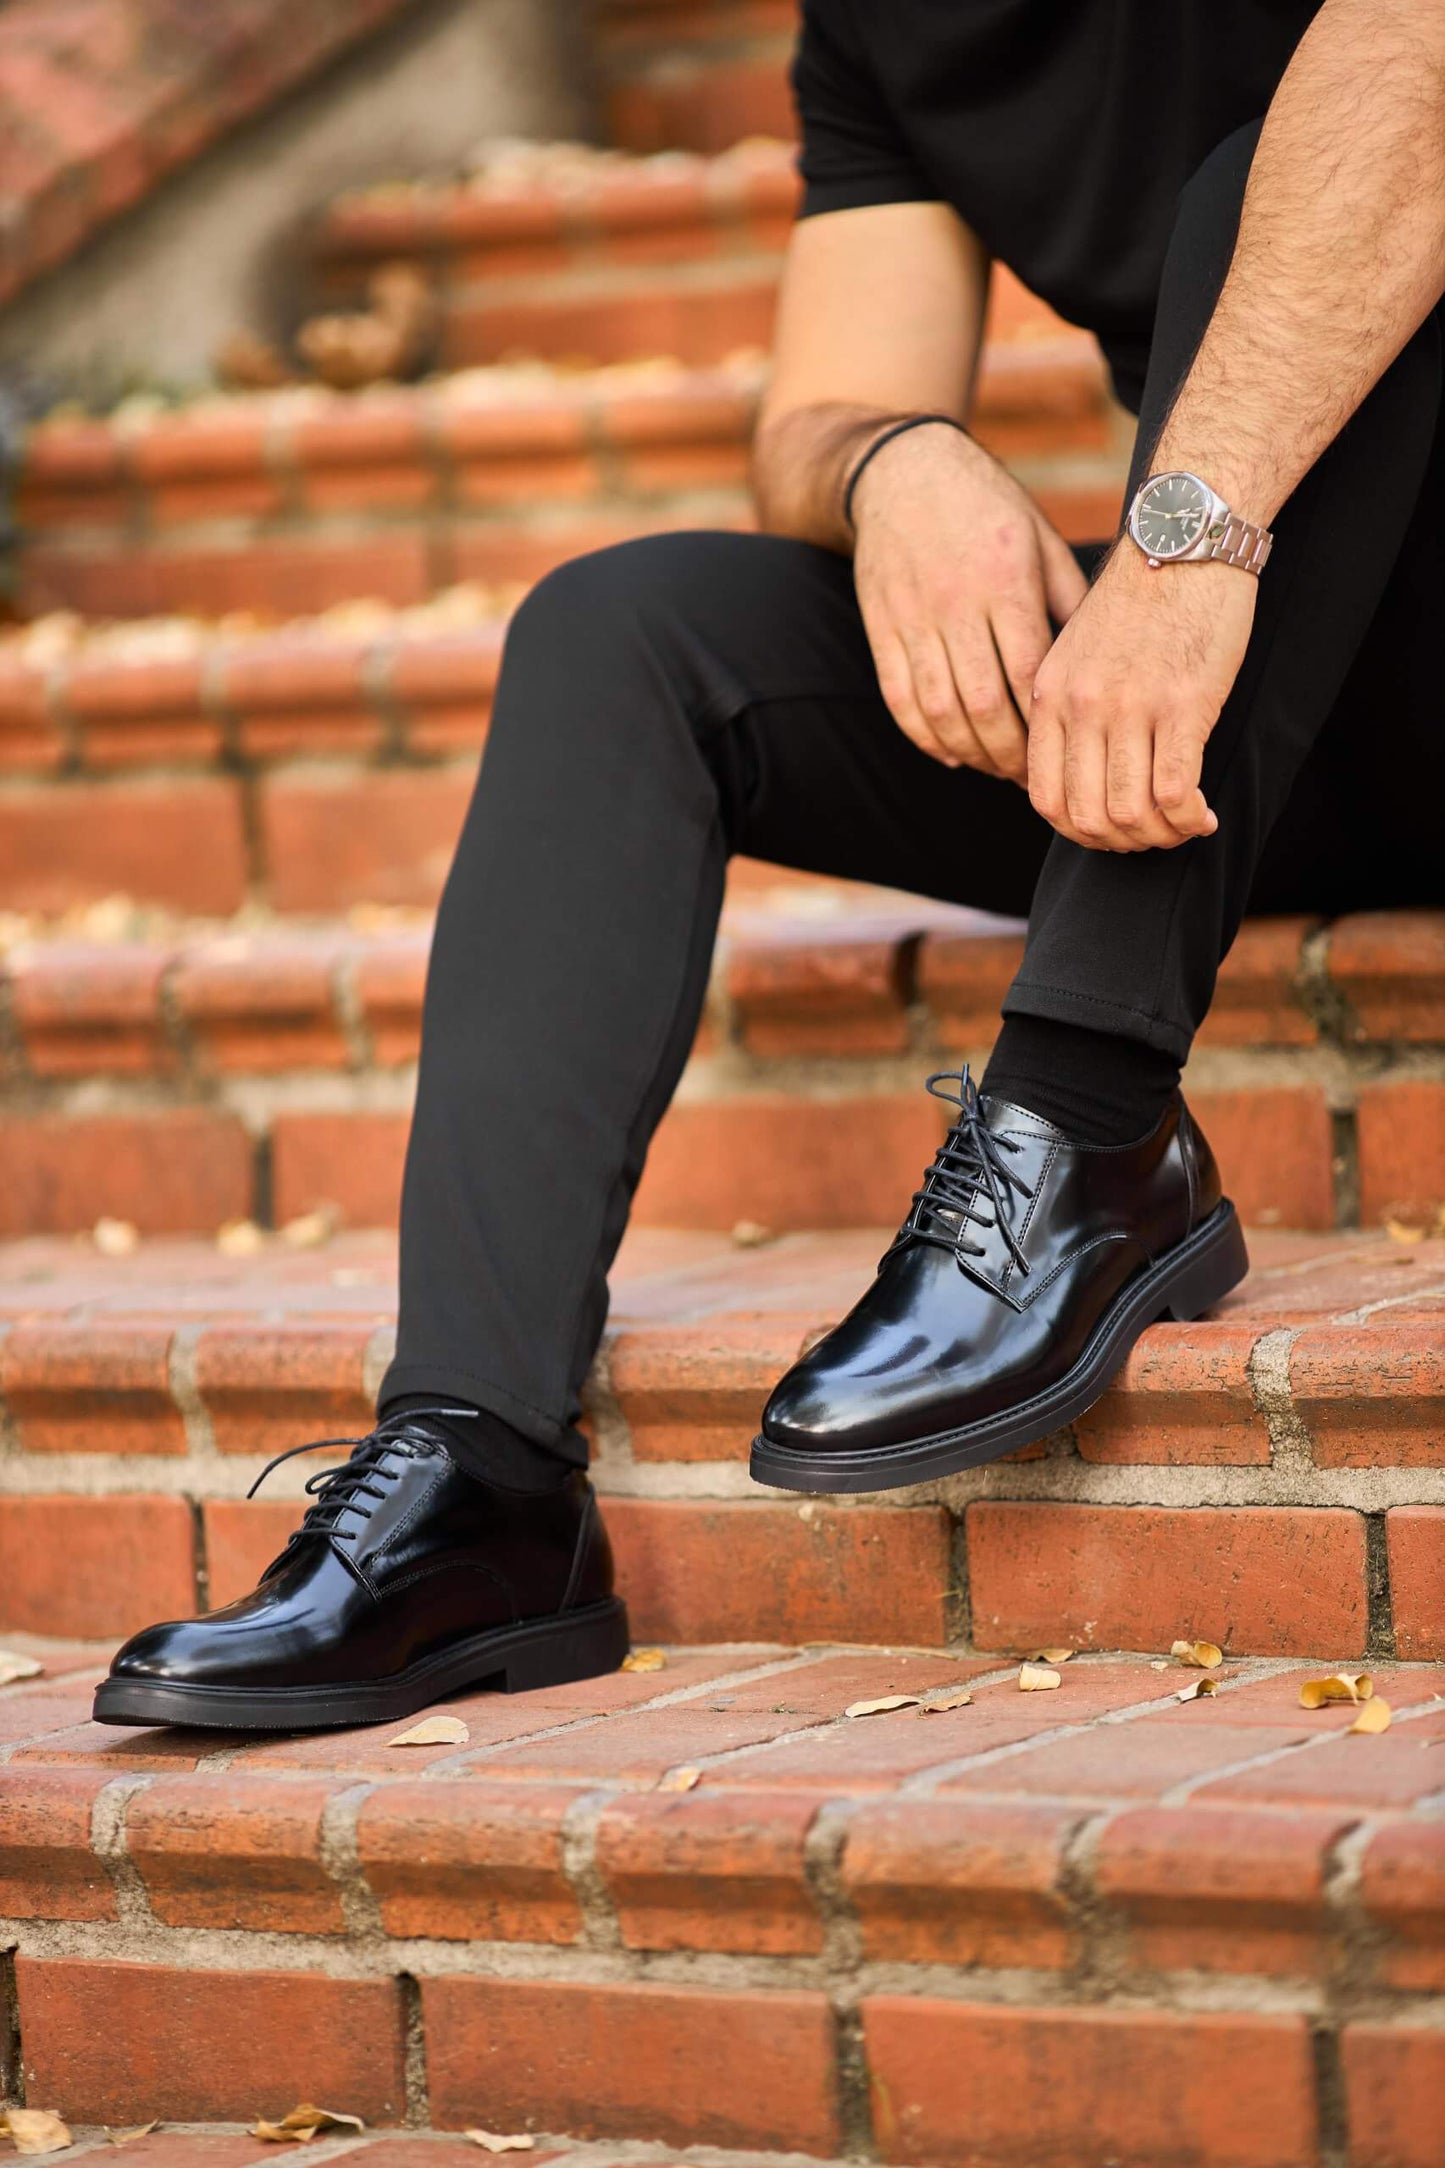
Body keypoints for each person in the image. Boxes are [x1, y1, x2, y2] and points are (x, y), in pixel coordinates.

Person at [96, 0, 1445, 1728]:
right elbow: (820, 402)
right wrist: (894, 463)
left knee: (1287, 176)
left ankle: (1085, 1115)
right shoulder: (889, 25)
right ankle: (473, 1483)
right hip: (1250, 722)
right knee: (624, 635)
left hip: (1268, 608)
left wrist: (1183, 553)